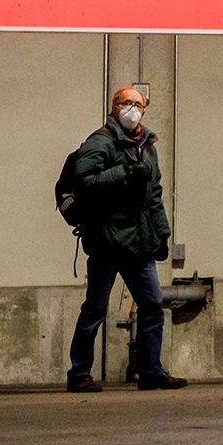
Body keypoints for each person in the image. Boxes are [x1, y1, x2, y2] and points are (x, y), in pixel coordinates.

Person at [65, 87, 187, 393]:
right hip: (107, 239)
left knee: (152, 306)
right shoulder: (100, 141)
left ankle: (151, 372)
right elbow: (85, 181)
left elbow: (153, 196)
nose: (132, 108)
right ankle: (79, 373)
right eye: (126, 103)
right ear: (114, 107)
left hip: (139, 241)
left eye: (138, 104)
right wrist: (125, 171)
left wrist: (161, 234)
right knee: (95, 308)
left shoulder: (148, 145)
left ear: (144, 111)